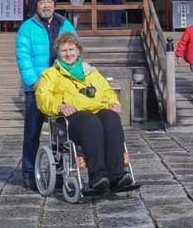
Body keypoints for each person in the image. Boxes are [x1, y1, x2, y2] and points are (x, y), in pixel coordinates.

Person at [35, 33, 133, 194]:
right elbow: (43, 97)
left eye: (71, 49)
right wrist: (60, 106)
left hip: (96, 110)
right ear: (58, 53)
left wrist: (113, 102)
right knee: (91, 122)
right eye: (63, 50)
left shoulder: (91, 72)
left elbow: (106, 90)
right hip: (71, 117)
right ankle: (98, 177)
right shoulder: (50, 75)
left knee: (112, 118)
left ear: (78, 50)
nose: (68, 53)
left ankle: (117, 175)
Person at [16, 0, 76, 190]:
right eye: (42, 2)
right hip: (37, 89)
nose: (46, 5)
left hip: (60, 90)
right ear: (36, 6)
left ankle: (59, 173)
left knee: (60, 134)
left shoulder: (65, 24)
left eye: (49, 1)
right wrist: (35, 82)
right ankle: (28, 173)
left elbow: (74, 54)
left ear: (54, 4)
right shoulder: (27, 27)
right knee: (32, 132)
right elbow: (23, 58)